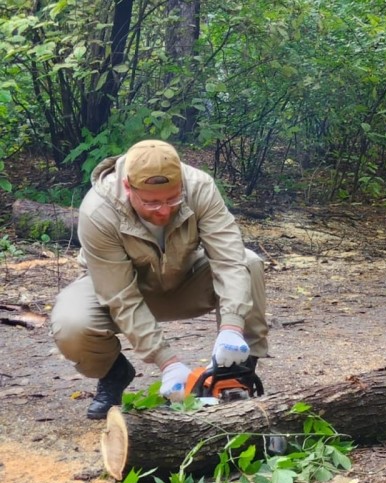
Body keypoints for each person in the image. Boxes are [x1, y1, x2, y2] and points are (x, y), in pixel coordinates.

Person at [51, 140, 269, 419]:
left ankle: (236, 376)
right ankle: (114, 372)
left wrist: (232, 327)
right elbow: (121, 297)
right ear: (129, 188)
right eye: (152, 202)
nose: (164, 211)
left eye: (172, 199)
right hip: (123, 288)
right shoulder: (98, 211)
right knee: (71, 323)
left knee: (248, 263)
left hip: (186, 280)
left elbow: (228, 259)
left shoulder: (199, 187)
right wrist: (168, 363)